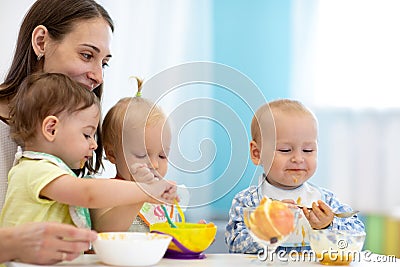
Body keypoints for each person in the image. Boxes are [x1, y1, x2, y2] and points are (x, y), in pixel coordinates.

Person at [0, 0, 114, 262]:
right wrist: (10, 244)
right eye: (87, 55)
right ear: (41, 42)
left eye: (104, 63)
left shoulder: (69, 138)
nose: (99, 76)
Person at [0, 73, 177, 232]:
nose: (94, 145)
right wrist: (146, 190)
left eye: (162, 156)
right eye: (87, 134)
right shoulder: (35, 169)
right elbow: (88, 194)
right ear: (51, 129)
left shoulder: (49, 171)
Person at [225, 99, 365, 254]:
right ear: (257, 153)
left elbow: (356, 234)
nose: (298, 158)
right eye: (285, 150)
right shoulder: (248, 201)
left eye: (308, 150)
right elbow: (235, 244)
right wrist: (269, 227)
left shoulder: (325, 200)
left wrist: (328, 225)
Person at [99, 77, 175, 232]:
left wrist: (188, 237)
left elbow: (169, 240)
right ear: (112, 154)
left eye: (162, 156)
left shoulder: (164, 196)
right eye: (141, 155)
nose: (154, 164)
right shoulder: (104, 191)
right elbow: (105, 231)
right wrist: (141, 194)